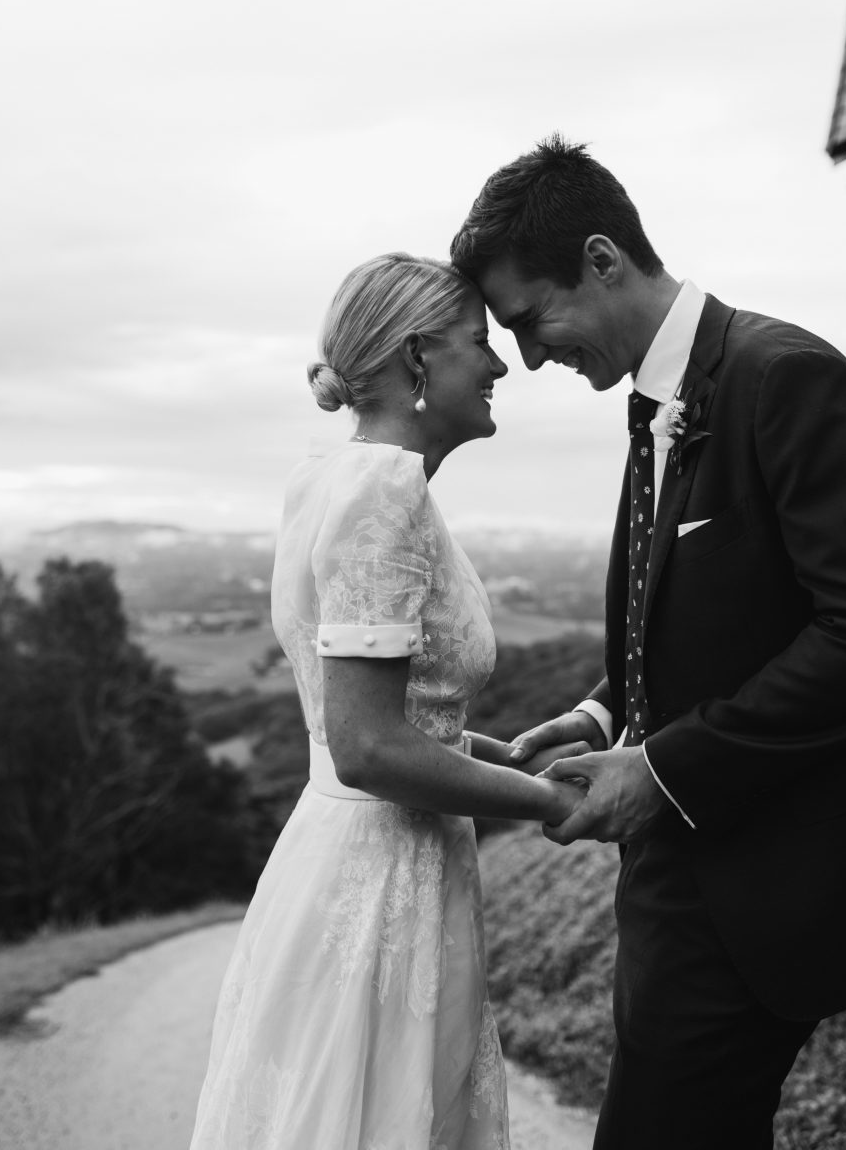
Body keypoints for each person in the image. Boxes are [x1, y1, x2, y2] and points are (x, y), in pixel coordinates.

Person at [449, 136, 846, 1150]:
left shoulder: (785, 377)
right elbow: (708, 610)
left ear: (601, 260)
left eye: (531, 320)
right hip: (678, 873)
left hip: (769, 873)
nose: (532, 357)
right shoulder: (657, 400)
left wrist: (666, 767)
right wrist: (603, 712)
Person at [189, 252, 582, 1150]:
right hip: (379, 885)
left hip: (361, 857)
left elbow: (384, 721)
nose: (500, 363)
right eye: (479, 341)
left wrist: (499, 754)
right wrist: (547, 803)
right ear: (417, 358)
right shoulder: (384, 493)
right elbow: (367, 747)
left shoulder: (332, 477)